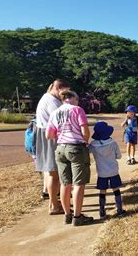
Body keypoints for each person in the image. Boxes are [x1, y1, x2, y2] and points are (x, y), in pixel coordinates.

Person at [46, 90, 93, 226]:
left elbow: (49, 135)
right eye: (77, 100)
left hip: (60, 148)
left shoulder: (55, 113)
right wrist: (84, 142)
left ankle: (68, 214)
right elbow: (85, 132)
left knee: (65, 183)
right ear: (73, 98)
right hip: (76, 147)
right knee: (79, 183)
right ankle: (78, 217)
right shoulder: (77, 110)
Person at [35, 79, 70, 214]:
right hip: (50, 137)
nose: (65, 96)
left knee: (54, 173)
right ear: (57, 88)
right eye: (65, 92)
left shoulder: (48, 98)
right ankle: (55, 206)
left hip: (47, 135)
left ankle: (54, 203)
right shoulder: (51, 101)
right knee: (53, 173)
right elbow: (60, 120)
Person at [89, 121, 126, 219]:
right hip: (113, 170)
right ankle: (120, 210)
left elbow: (87, 151)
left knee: (102, 191)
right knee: (116, 189)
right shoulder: (113, 143)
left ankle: (102, 212)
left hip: (101, 172)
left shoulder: (93, 144)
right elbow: (119, 156)